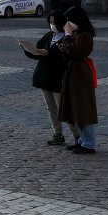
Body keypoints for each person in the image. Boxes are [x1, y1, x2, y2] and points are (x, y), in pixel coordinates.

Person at [20, 9, 80, 146]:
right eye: (50, 22)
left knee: (64, 108)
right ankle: (57, 133)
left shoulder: (68, 36)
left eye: (53, 22)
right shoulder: (49, 36)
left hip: (59, 77)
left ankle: (77, 135)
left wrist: (49, 53)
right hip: (45, 76)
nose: (51, 25)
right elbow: (37, 52)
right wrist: (27, 50)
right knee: (51, 107)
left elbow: (65, 54)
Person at [57, 6, 98, 154]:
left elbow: (73, 52)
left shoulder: (85, 36)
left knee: (83, 108)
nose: (68, 23)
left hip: (80, 74)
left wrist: (67, 36)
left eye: (70, 20)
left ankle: (89, 143)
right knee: (76, 108)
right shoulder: (77, 34)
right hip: (73, 73)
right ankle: (82, 140)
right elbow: (64, 51)